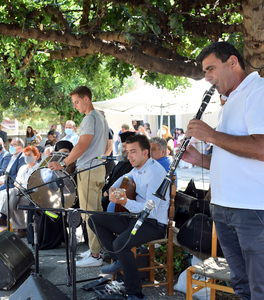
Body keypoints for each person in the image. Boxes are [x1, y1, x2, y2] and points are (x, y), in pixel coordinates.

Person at [183, 41, 264, 300]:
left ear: (232, 62)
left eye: (210, 69)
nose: (207, 78)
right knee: (241, 285)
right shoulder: (230, 99)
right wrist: (200, 160)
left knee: (259, 286)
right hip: (225, 207)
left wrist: (212, 135)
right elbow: (234, 153)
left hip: (251, 208)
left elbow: (261, 148)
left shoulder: (258, 91)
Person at [89, 134, 169, 300]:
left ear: (145, 152)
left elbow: (150, 210)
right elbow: (127, 177)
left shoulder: (155, 173)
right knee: (94, 219)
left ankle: (136, 293)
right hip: (135, 218)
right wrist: (112, 188)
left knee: (121, 243)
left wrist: (125, 202)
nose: (129, 155)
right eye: (127, 151)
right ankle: (119, 260)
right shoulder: (139, 168)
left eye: (133, 151)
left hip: (153, 224)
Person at [48, 86, 109, 267]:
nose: (75, 106)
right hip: (97, 168)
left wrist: (63, 164)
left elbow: (81, 146)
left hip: (89, 170)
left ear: (86, 99)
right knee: (96, 212)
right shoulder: (101, 118)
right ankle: (95, 250)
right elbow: (104, 146)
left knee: (89, 213)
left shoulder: (90, 118)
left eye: (76, 102)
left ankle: (95, 255)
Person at [0, 145, 40, 237]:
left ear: (35, 156)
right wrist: (20, 185)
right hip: (20, 193)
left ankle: (6, 218)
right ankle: (21, 228)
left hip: (33, 195)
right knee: (14, 197)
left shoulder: (38, 168)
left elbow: (34, 184)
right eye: (25, 154)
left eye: (29, 155)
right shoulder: (22, 167)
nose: (27, 157)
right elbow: (17, 182)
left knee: (13, 196)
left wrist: (22, 186)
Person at [0, 137, 26, 226]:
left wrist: (5, 180)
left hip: (14, 184)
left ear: (20, 147)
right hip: (6, 181)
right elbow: (7, 171)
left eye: (13, 145)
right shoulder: (13, 156)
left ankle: (3, 219)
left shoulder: (22, 158)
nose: (10, 147)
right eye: (10, 145)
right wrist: (2, 178)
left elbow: (19, 176)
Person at [102, 131, 135, 211]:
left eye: (127, 147)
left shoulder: (133, 164)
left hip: (117, 199)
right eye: (123, 146)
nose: (124, 149)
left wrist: (107, 192)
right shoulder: (121, 162)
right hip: (108, 193)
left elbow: (126, 183)